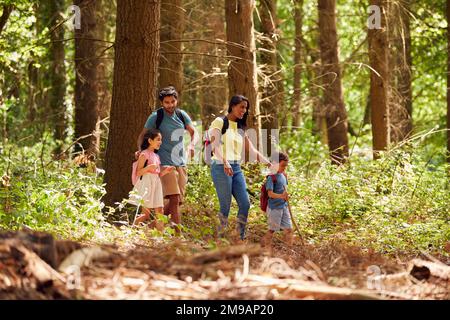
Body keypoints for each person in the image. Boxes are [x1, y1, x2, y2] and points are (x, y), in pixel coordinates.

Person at [208, 95, 271, 242]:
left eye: (246, 108)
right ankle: (220, 239)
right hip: (220, 166)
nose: (244, 110)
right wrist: (224, 162)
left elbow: (252, 151)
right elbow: (214, 145)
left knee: (245, 203)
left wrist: (269, 163)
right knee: (225, 206)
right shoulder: (219, 122)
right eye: (241, 107)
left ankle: (239, 238)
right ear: (233, 105)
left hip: (236, 167)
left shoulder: (241, 128)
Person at [136, 86, 198, 230]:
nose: (170, 105)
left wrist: (192, 145)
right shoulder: (156, 116)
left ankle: (150, 226)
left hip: (181, 163)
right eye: (167, 102)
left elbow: (194, 133)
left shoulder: (182, 115)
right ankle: (178, 236)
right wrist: (140, 150)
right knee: (174, 199)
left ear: (176, 100)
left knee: (177, 201)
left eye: (172, 101)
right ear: (162, 103)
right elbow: (142, 136)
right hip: (163, 163)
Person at [129, 129, 175, 229]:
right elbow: (138, 172)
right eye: (158, 139)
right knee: (146, 214)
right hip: (147, 183)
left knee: (160, 211)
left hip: (156, 183)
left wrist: (166, 171)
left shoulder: (156, 156)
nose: (160, 142)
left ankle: (159, 237)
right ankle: (131, 230)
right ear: (150, 141)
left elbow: (157, 174)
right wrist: (148, 168)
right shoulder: (144, 154)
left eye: (161, 140)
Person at [261, 152, 293, 247]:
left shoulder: (284, 175)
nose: (284, 168)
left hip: (284, 206)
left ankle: (289, 250)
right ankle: (265, 248)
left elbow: (283, 190)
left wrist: (286, 196)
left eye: (286, 166)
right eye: (282, 166)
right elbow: (270, 194)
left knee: (289, 229)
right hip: (274, 208)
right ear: (275, 164)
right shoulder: (271, 177)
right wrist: (282, 196)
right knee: (272, 230)